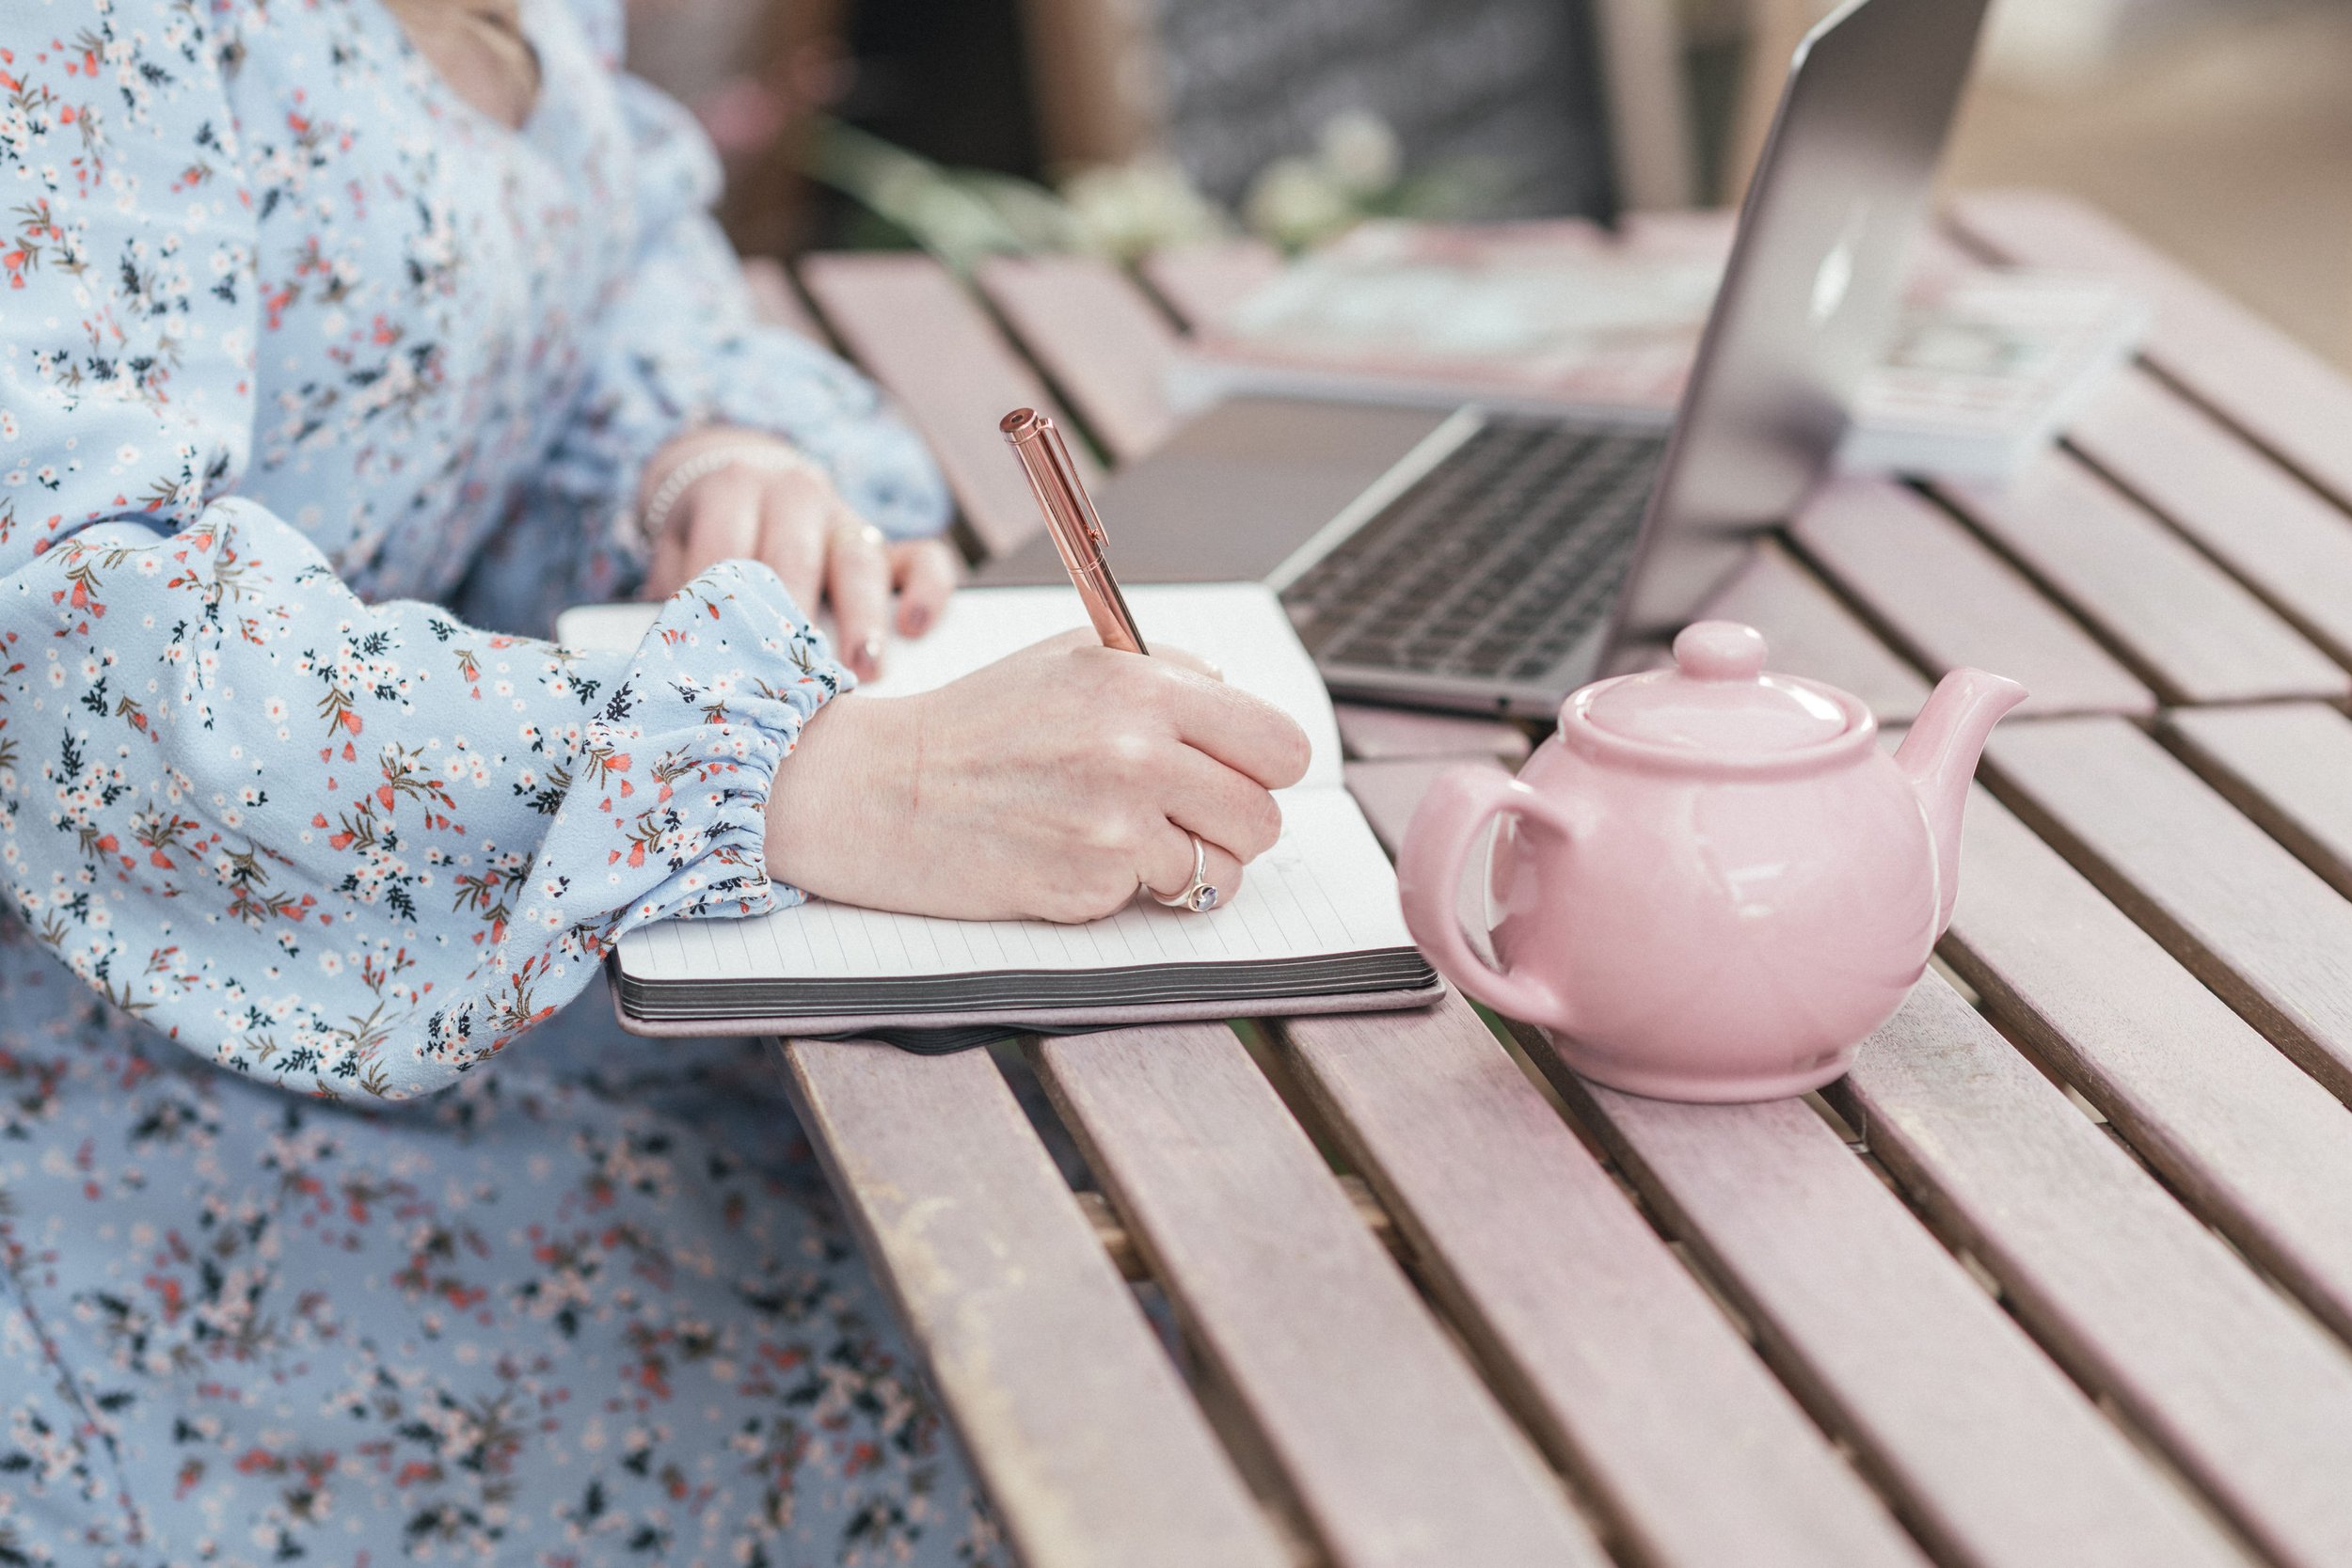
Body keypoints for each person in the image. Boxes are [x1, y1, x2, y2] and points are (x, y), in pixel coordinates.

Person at [0, 0, 1309, 1560]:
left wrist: (701, 461)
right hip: (123, 1086)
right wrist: (806, 781)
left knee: (1182, 1261)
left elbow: (593, 289)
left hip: (464, 939)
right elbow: (61, 627)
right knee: (1045, 1420)